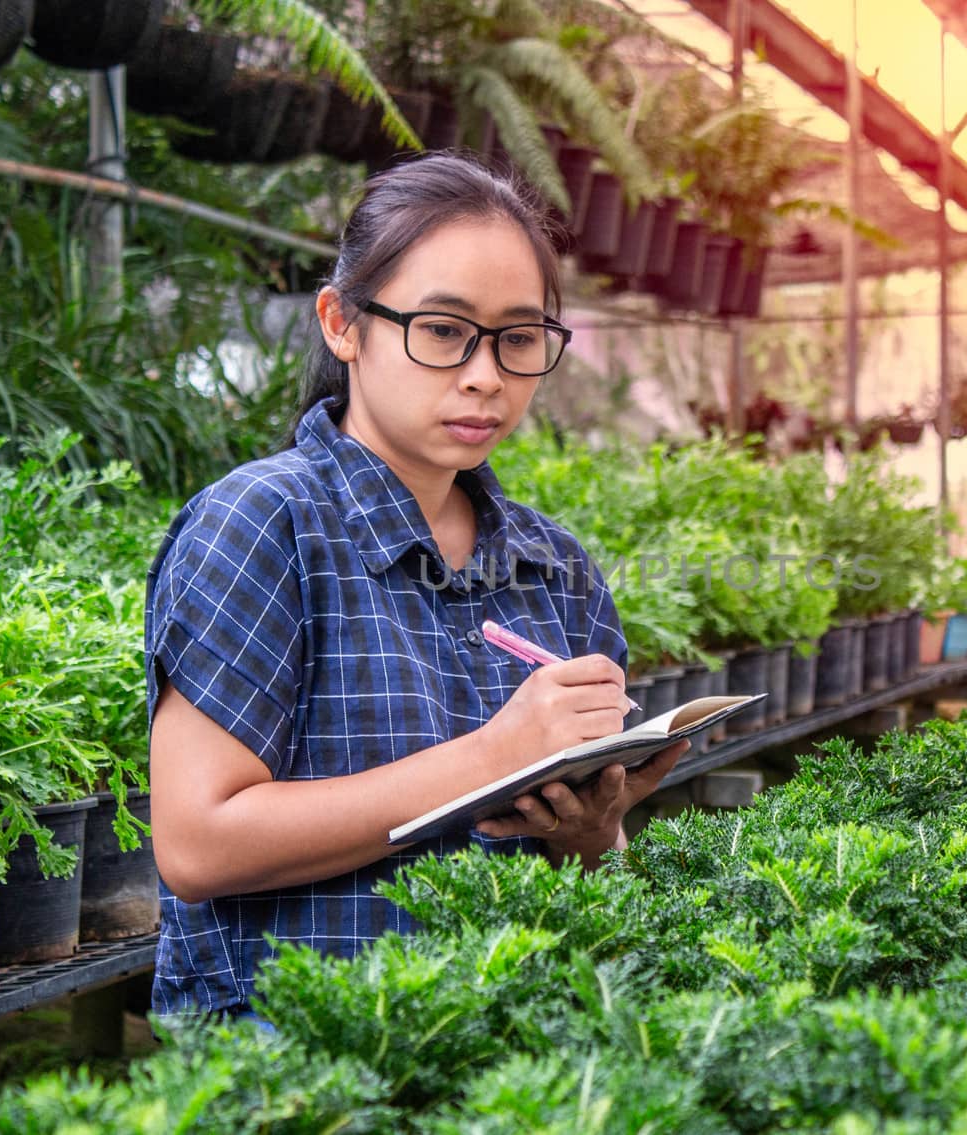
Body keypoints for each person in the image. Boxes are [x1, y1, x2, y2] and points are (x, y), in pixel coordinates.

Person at [144, 153, 687, 1019]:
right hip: (304, 1075)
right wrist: (492, 757)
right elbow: (198, 841)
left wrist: (591, 834)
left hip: (510, 1065)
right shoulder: (264, 525)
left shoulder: (556, 568)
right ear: (343, 323)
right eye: (443, 329)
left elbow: (597, 875)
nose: (486, 375)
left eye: (518, 337)